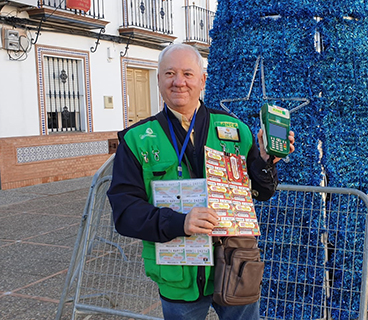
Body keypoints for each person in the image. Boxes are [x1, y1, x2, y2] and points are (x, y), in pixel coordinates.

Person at [107, 43, 295, 320]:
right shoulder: (136, 140)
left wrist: (266, 160)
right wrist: (178, 222)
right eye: (169, 73)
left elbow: (262, 191)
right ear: (158, 79)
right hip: (178, 274)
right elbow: (125, 213)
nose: (179, 82)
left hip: (236, 264)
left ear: (203, 80)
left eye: (187, 73)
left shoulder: (236, 129)